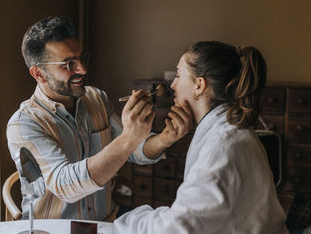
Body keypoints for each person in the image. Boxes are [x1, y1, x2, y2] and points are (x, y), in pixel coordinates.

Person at [6, 17, 193, 220]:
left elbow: (132, 150)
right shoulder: (24, 124)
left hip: (105, 222)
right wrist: (128, 138)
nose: (83, 70)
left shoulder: (96, 98)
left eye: (81, 58)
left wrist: (165, 138)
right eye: (68, 64)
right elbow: (66, 186)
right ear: (39, 73)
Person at [114, 41, 288, 233]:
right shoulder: (228, 131)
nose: (172, 85)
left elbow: (176, 228)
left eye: (178, 75)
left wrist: (127, 220)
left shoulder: (223, 145)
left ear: (199, 85)